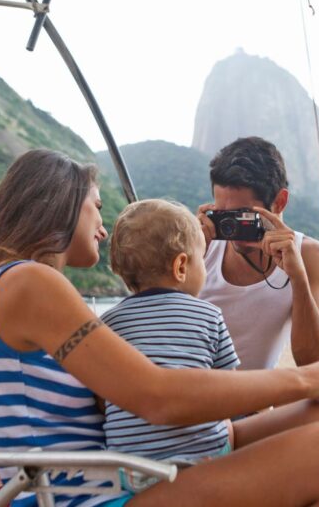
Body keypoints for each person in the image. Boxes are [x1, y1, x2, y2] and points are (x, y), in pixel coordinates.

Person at [0, 149, 319, 506]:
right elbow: (157, 396)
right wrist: (304, 378)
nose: (103, 228)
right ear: (62, 207)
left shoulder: (21, 286)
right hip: (88, 500)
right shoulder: (30, 283)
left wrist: (307, 392)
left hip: (109, 479)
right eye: (96, 207)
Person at [101, 199, 239, 491]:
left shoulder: (107, 324)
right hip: (201, 462)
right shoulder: (209, 314)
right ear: (181, 266)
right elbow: (231, 389)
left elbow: (103, 400)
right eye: (202, 259)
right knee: (227, 423)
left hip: (131, 471)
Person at [197, 137, 319, 371]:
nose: (233, 229)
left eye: (244, 216)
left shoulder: (308, 254)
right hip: (195, 387)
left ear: (279, 201)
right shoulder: (202, 245)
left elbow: (313, 362)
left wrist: (298, 278)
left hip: (252, 398)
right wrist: (193, 254)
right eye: (223, 216)